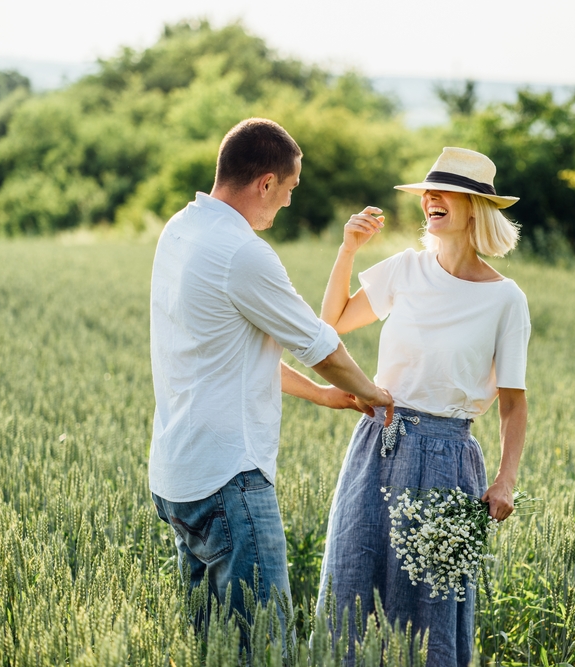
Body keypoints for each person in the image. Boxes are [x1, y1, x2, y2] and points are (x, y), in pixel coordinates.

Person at [148, 118, 394, 640]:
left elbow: (231, 356)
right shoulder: (244, 253)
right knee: (262, 647)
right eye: (287, 190)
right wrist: (371, 391)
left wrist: (326, 397)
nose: (286, 203)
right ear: (265, 182)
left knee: (211, 647)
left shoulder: (181, 228)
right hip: (227, 481)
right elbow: (319, 345)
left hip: (176, 478)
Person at [315, 147, 531, 666]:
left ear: (474, 208)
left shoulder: (506, 300)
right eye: (427, 192)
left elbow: (513, 404)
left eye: (445, 192)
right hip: (377, 441)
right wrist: (348, 250)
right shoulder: (404, 269)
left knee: (430, 607)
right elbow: (332, 325)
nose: (431, 199)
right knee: (350, 584)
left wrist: (504, 480)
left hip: (446, 456)